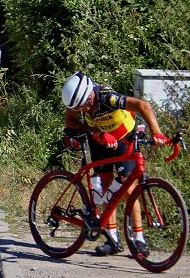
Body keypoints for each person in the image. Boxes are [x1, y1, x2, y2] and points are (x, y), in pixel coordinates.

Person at [61, 71, 170, 256]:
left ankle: (139, 239)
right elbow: (69, 121)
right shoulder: (78, 100)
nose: (83, 110)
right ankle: (111, 239)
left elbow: (143, 105)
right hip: (100, 140)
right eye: (78, 107)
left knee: (128, 188)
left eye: (84, 105)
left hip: (124, 139)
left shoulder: (107, 98)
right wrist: (95, 131)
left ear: (89, 94)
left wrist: (156, 132)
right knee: (105, 185)